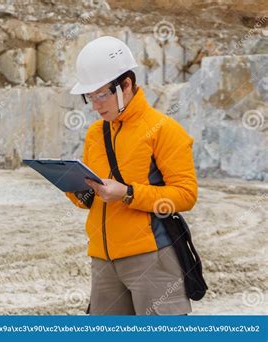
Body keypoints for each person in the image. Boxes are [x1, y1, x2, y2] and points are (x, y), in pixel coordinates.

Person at [66, 36, 198, 315]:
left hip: (152, 258)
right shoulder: (95, 134)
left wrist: (127, 193)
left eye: (102, 94)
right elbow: (89, 199)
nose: (96, 106)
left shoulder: (164, 130)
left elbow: (186, 195)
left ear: (126, 85)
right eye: (90, 97)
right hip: (103, 260)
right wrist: (72, 185)